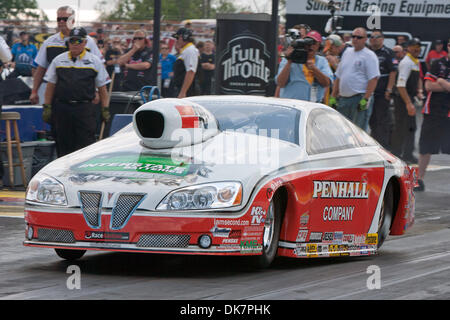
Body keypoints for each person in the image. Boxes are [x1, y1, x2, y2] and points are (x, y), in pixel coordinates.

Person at [43, 27, 110, 157]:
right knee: (63, 143)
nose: (75, 44)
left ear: (85, 43)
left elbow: (102, 88)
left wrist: (105, 109)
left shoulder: (94, 61)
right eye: (72, 40)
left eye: (78, 41)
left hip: (84, 108)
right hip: (62, 108)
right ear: (68, 42)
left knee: (86, 144)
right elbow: (50, 85)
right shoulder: (58, 60)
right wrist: (47, 106)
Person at [30, 6, 103, 105]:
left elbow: (100, 67)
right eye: (59, 19)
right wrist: (34, 91)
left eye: (64, 19)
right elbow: (40, 68)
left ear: (72, 20)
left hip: (84, 96)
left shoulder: (88, 41)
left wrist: (97, 91)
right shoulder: (49, 42)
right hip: (58, 96)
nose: (61, 22)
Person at [415, 43, 450, 191]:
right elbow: (428, 86)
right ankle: (419, 179)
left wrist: (441, 81)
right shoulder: (438, 63)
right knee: (425, 147)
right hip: (433, 111)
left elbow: (437, 84)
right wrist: (445, 85)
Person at [330, 27, 380, 130]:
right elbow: (339, 75)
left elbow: (373, 79)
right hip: (343, 99)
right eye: (353, 36)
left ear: (365, 39)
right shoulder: (347, 52)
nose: (355, 39)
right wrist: (333, 96)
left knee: (358, 132)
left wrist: (365, 99)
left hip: (359, 98)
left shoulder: (370, 55)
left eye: (359, 37)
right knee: (342, 130)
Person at [276, 30, 332, 103]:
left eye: (314, 43)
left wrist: (314, 69)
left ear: (319, 46)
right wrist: (289, 61)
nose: (310, 46)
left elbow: (326, 83)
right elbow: (280, 83)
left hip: (313, 106)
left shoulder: (322, 61)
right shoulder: (289, 59)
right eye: (307, 43)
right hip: (292, 104)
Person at [390, 38, 423, 164]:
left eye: (418, 46)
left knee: (411, 127)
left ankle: (408, 154)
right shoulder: (407, 62)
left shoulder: (415, 62)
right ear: (408, 48)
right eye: (414, 46)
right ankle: (396, 155)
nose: (417, 48)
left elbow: (418, 78)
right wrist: (408, 103)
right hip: (402, 100)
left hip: (409, 99)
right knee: (401, 128)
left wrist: (419, 91)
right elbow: (400, 85)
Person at [368, 29, 396, 149]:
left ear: (382, 39)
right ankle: (373, 146)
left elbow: (393, 72)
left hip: (381, 93)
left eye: (377, 37)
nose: (374, 39)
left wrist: (389, 89)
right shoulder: (367, 52)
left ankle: (384, 148)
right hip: (368, 93)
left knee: (382, 121)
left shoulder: (388, 53)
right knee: (371, 120)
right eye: (372, 37)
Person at [172, 27, 199, 98]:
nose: (176, 41)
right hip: (182, 88)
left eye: (177, 38)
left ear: (182, 37)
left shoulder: (190, 50)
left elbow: (190, 72)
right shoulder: (186, 50)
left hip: (188, 91)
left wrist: (183, 92)